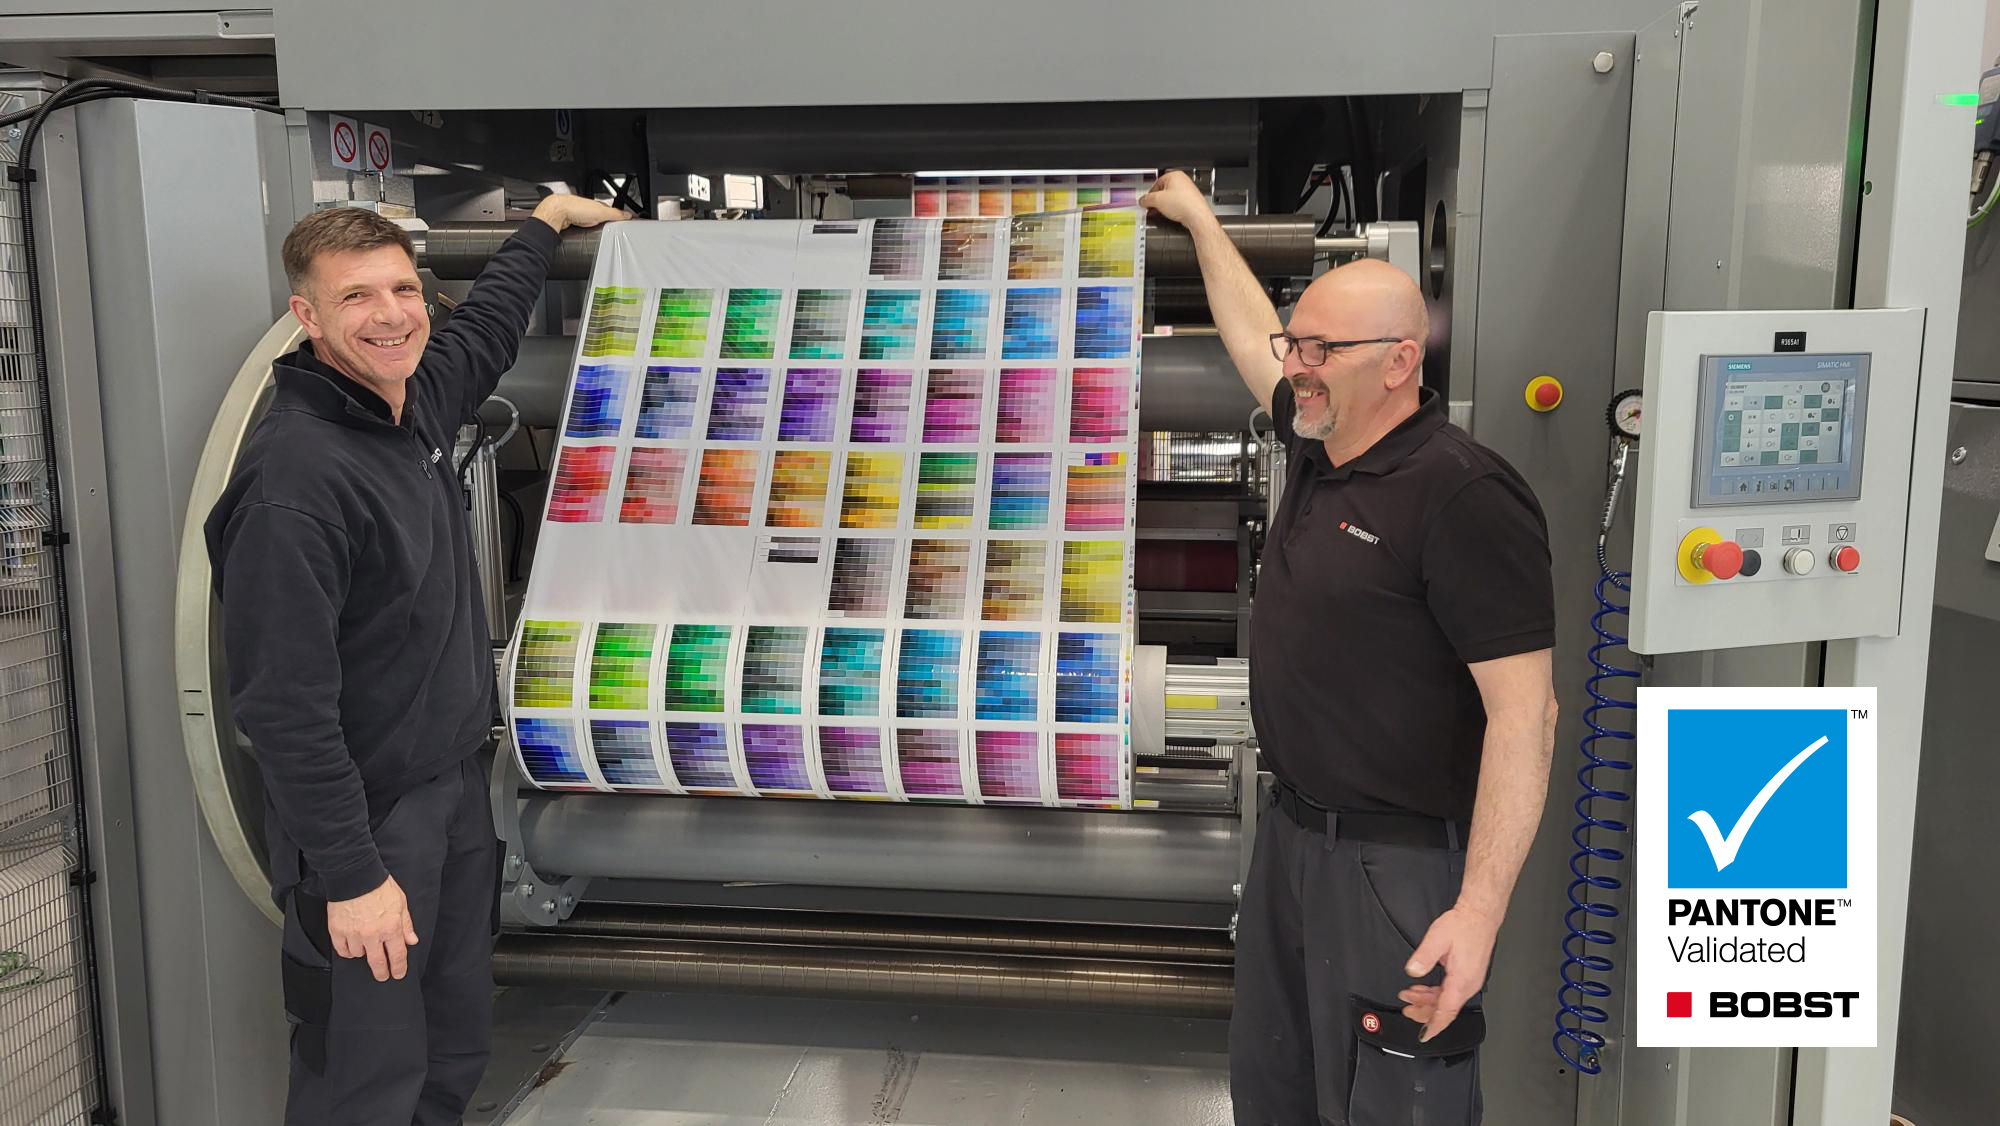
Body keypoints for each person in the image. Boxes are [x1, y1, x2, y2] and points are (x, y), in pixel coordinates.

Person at [1142, 171, 1557, 1125]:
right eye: (1300, 343)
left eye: (1323, 348)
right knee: (1279, 1089)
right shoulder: (1318, 445)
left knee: (1391, 1102)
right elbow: (1251, 332)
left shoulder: (1460, 496)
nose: (1297, 363)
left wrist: (1479, 912)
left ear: (1402, 361)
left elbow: (1524, 718)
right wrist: (1200, 218)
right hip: (1293, 842)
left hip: (1394, 869)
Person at [206, 194, 628, 1124]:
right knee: (365, 1076)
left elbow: (491, 322)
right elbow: (282, 707)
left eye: (404, 287)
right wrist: (353, 877)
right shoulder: (295, 487)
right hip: (366, 820)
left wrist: (546, 224)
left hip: (448, 794)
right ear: (307, 316)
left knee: (452, 1046)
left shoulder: (413, 402)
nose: (392, 312)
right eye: (357, 296)